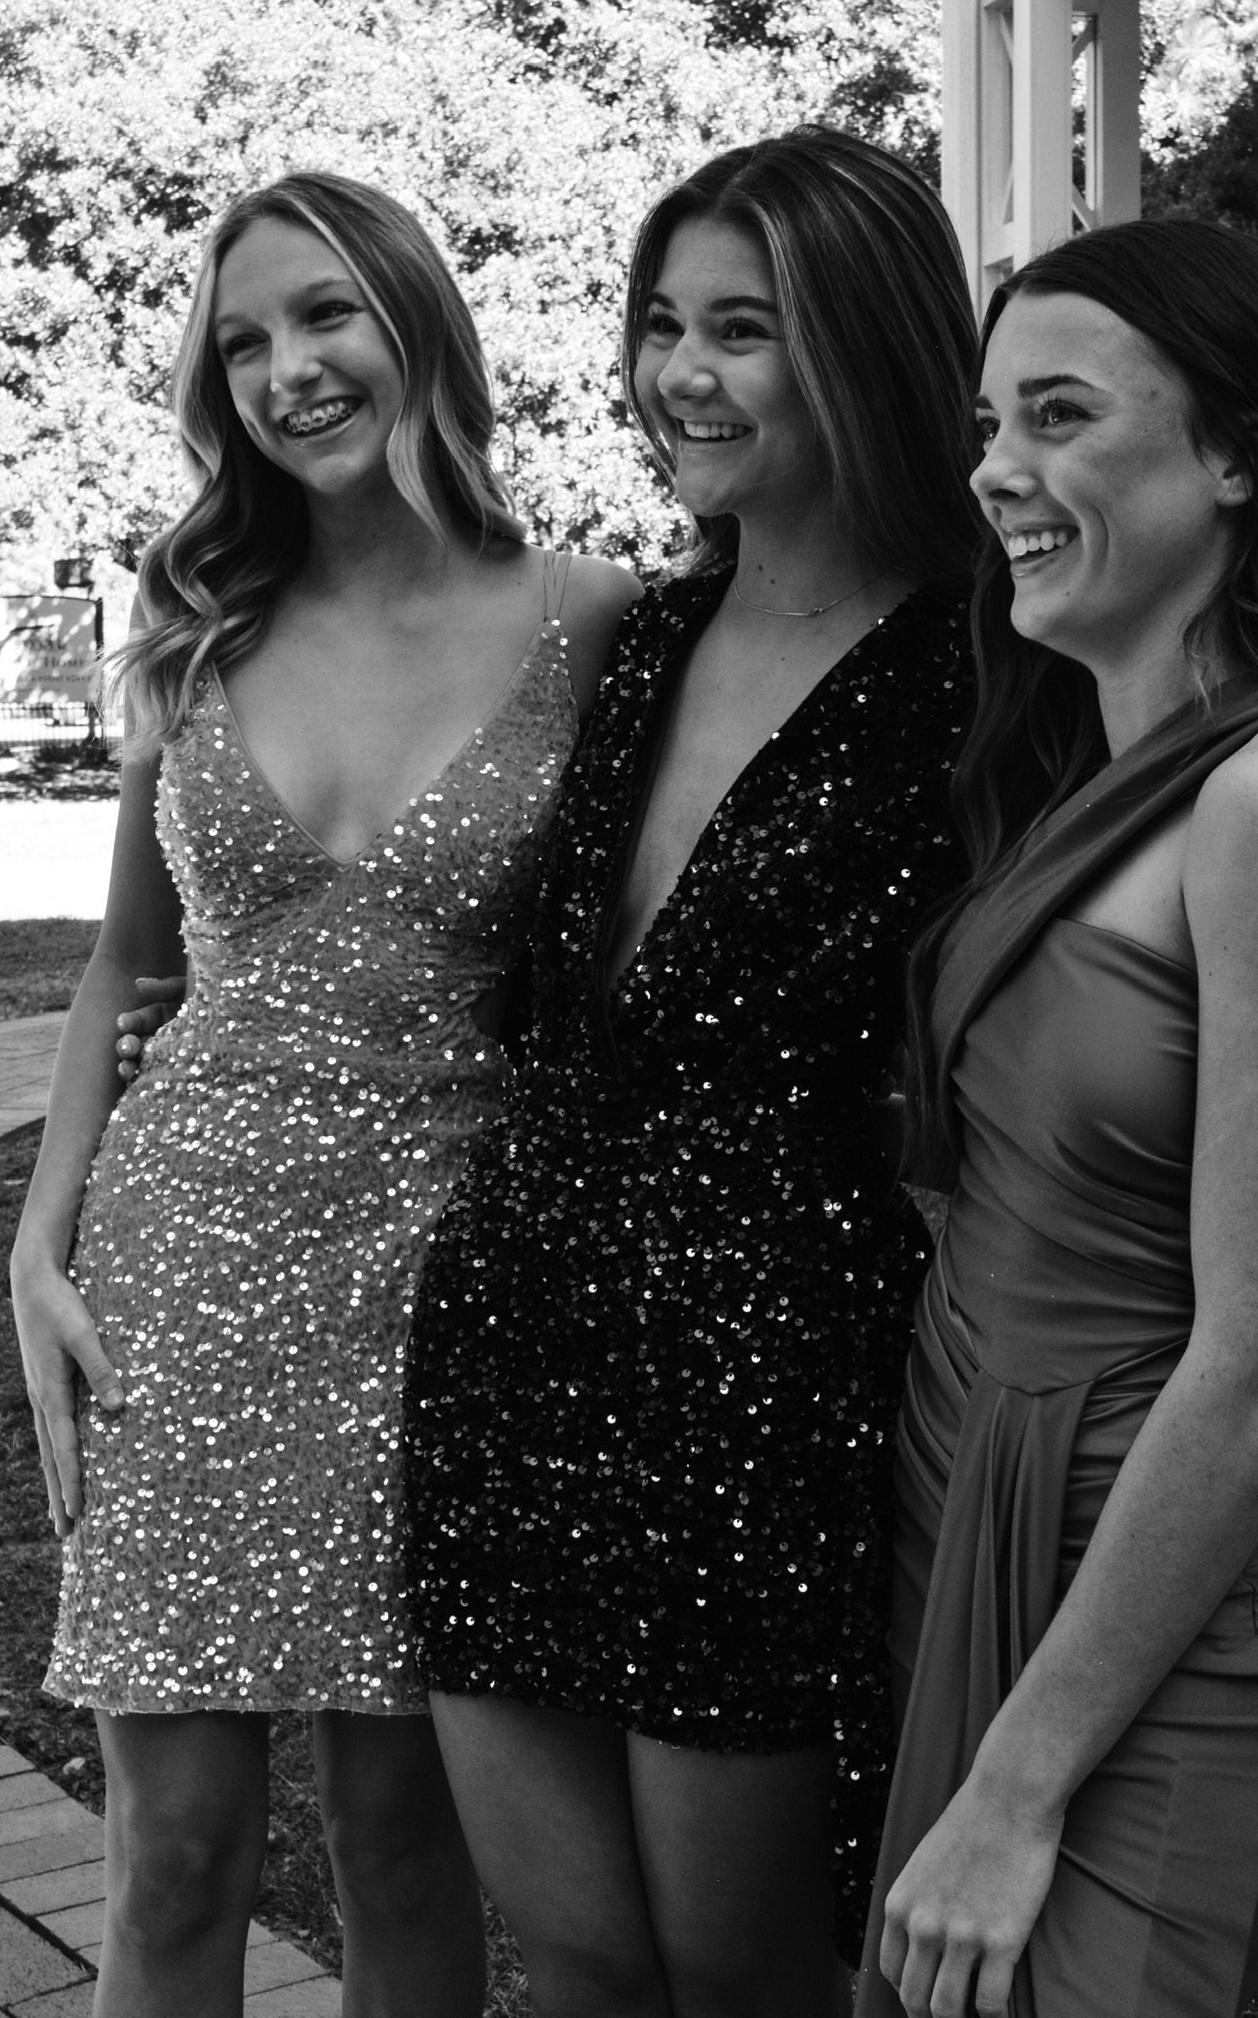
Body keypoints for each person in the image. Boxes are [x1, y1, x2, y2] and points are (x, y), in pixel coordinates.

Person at [8, 170, 637, 2018]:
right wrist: (40, 1242)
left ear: (417, 317)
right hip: (180, 1271)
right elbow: (128, 970)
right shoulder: (195, 614)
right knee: (176, 1854)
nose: (289, 368)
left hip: (443, 1297)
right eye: (245, 341)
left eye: (326, 314)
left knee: (405, 1848)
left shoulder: (597, 622)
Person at [400, 125, 986, 2014]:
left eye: (744, 327)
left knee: (739, 1968)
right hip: (516, 1330)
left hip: (770, 1369)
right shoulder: (640, 640)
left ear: (868, 345)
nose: (682, 376)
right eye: (665, 324)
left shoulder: (993, 668)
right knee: (571, 1958)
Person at [859, 217, 1258, 2018]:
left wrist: (1019, 1785)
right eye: (990, 421)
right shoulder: (1084, 773)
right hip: (977, 1505)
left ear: (1239, 451)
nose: (998, 470)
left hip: (1150, 1597)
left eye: (1064, 417)